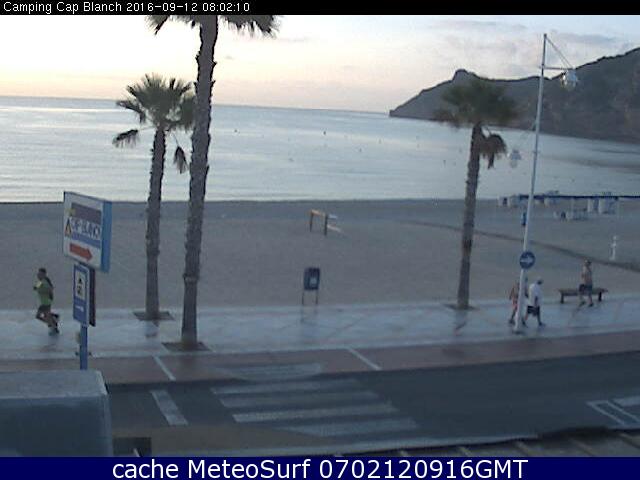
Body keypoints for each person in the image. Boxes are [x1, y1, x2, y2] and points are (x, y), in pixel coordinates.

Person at [33, 267, 60, 335]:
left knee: (38, 316)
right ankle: (54, 319)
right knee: (46, 316)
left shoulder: (44, 282)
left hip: (45, 303)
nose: (38, 275)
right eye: (38, 274)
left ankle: (53, 325)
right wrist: (37, 287)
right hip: (45, 302)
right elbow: (35, 288)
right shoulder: (41, 281)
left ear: (44, 275)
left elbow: (50, 289)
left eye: (40, 274)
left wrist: (45, 291)